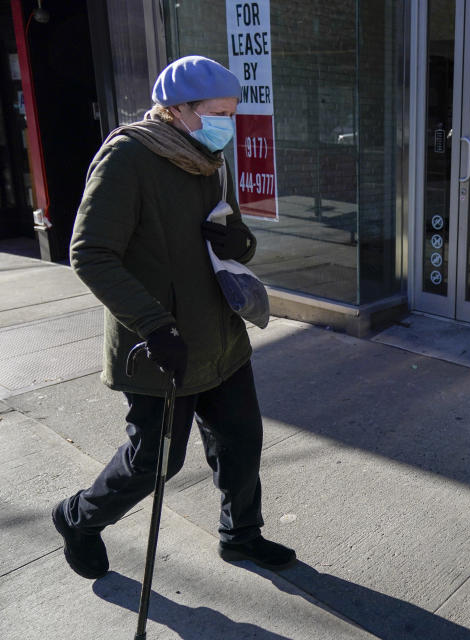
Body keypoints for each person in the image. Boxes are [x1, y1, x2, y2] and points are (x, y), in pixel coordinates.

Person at [51, 55, 295, 579]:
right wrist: (155, 326)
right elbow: (90, 252)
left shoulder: (209, 158)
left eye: (233, 113)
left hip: (222, 337)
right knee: (154, 462)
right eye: (219, 112)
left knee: (241, 441)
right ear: (181, 110)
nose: (227, 124)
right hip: (163, 346)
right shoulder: (128, 158)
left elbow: (235, 239)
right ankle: (79, 518)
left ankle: (241, 535)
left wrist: (240, 242)